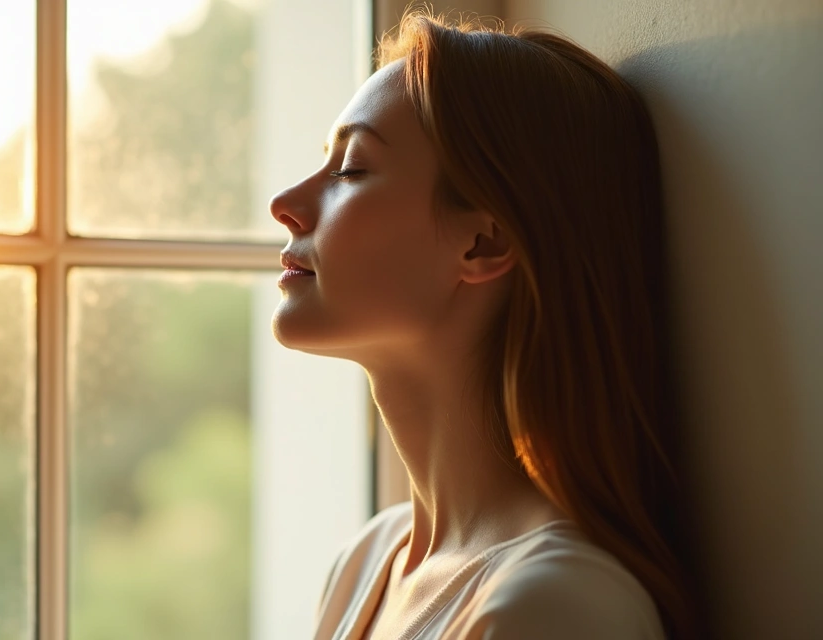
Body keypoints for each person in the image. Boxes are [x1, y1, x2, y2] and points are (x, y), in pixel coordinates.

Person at [269, 10, 696, 640]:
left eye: (352, 168)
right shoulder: (367, 565)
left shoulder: (555, 608)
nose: (286, 205)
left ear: (484, 242)